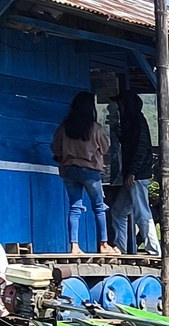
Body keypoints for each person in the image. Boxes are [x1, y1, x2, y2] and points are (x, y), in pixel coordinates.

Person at [50, 91, 110, 255]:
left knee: (75, 208)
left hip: (69, 170)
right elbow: (105, 148)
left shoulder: (64, 127)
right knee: (98, 208)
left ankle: (74, 246)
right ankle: (103, 245)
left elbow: (55, 148)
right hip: (90, 171)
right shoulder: (95, 128)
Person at [109, 91, 158, 256]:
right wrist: (119, 133)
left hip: (137, 176)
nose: (118, 108)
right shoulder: (132, 121)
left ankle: (154, 251)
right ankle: (120, 248)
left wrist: (132, 172)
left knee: (142, 212)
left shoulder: (137, 121)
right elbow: (131, 144)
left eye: (120, 105)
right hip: (133, 175)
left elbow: (140, 148)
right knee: (118, 211)